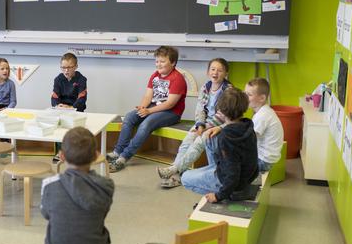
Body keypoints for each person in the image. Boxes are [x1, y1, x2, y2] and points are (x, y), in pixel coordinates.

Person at [40, 127, 114, 244]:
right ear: (95, 156)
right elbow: (102, 212)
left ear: (61, 156)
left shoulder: (49, 185)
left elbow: (46, 214)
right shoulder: (106, 185)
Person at [107, 46, 187, 172]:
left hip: (171, 112)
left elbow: (170, 104)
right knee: (129, 117)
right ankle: (117, 151)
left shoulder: (178, 79)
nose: (158, 64)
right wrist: (143, 107)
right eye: (156, 61)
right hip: (153, 108)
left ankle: (123, 157)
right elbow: (148, 96)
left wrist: (148, 111)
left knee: (146, 124)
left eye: (162, 61)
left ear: (173, 62)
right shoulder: (155, 76)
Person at [158, 58, 232, 188]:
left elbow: (223, 114)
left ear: (226, 73)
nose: (215, 73)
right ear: (208, 71)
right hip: (204, 124)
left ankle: (174, 169)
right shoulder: (206, 86)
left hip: (220, 126)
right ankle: (177, 175)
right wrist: (199, 124)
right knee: (187, 142)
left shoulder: (228, 90)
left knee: (198, 143)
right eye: (213, 69)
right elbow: (200, 108)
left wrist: (205, 127)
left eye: (220, 70)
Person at [181, 87, 258, 202]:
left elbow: (233, 174)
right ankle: (216, 173)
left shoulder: (226, 138)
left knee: (185, 178)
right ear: (245, 107)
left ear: (221, 111)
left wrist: (219, 196)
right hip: (246, 176)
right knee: (210, 138)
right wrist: (220, 128)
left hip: (234, 186)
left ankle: (229, 194)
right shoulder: (248, 125)